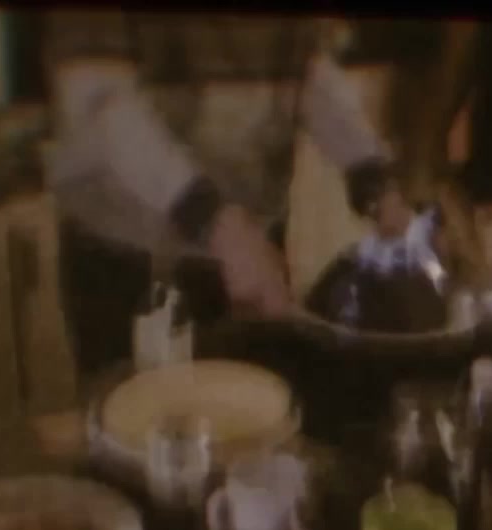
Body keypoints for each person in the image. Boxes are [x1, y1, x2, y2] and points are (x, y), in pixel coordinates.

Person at [42, 11, 414, 380]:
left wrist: (372, 178)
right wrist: (219, 226)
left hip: (246, 253)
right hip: (130, 265)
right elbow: (101, 107)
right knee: (140, 412)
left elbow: (306, 71)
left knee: (260, 405)